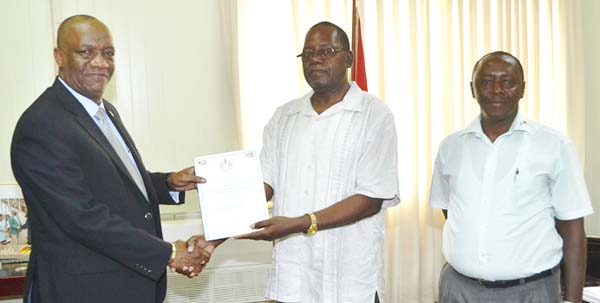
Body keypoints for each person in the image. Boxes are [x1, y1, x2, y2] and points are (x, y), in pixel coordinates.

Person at [10, 15, 214, 303]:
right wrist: (168, 252)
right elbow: (81, 216)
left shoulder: (104, 111)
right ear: (59, 56)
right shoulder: (42, 124)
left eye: (108, 53)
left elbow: (112, 185)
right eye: (86, 52)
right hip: (83, 291)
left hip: (125, 283)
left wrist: (166, 183)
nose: (100, 63)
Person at [192, 21, 400, 303]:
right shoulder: (285, 117)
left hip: (350, 280)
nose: (316, 59)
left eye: (326, 51)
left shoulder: (373, 115)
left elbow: (371, 197)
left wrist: (302, 223)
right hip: (294, 279)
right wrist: (211, 239)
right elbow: (261, 186)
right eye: (308, 53)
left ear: (349, 58)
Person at [429, 51, 594, 303]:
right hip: (459, 289)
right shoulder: (450, 147)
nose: (496, 90)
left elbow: (573, 230)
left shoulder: (554, 146)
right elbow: (452, 212)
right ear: (472, 89)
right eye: (486, 82)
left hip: (531, 292)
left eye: (508, 82)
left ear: (522, 89)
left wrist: (573, 300)